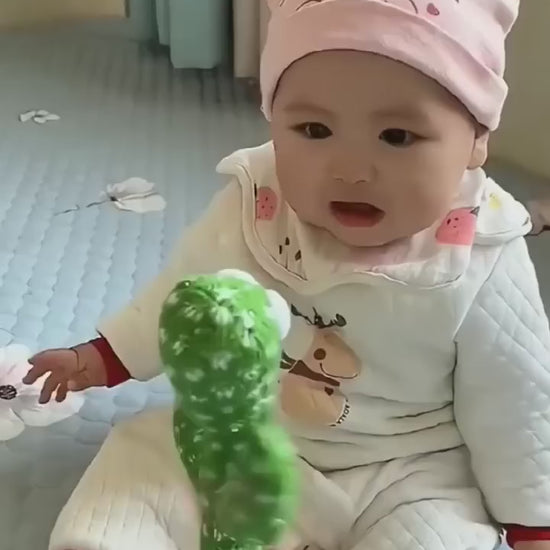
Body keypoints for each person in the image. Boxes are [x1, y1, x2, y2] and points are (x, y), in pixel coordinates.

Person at [27, 1, 550, 549]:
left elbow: (517, 398)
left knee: (442, 531)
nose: (351, 170)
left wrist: (532, 519)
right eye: (314, 129)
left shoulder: (483, 250)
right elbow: (189, 295)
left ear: (477, 140)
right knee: (141, 457)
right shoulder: (259, 205)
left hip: (407, 468)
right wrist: (105, 355)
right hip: (248, 432)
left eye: (397, 136)